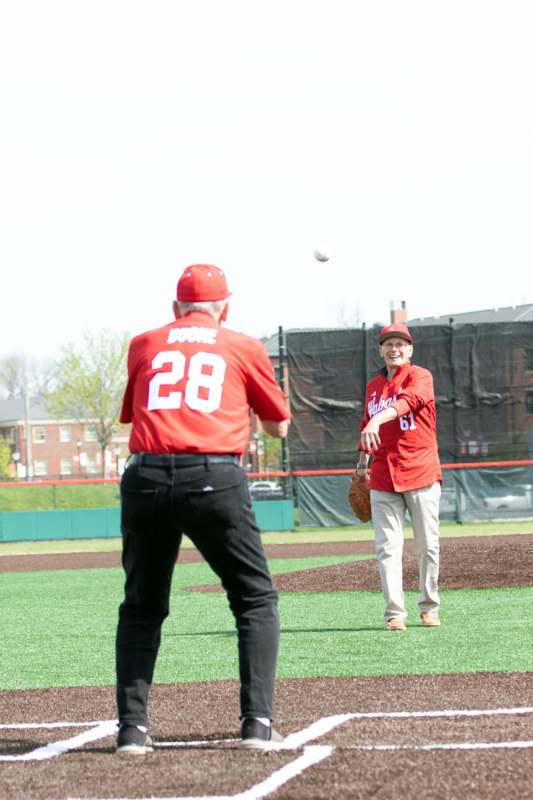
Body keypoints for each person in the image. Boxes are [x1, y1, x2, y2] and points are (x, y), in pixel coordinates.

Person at [115, 264, 290, 754]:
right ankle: (257, 725)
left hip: (146, 477)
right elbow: (278, 426)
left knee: (141, 607)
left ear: (176, 307)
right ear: (225, 308)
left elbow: (134, 412)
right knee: (255, 600)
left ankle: (132, 731)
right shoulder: (241, 345)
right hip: (213, 476)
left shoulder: (145, 343)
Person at [356, 323, 441, 632]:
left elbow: (408, 402)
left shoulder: (421, 376)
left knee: (428, 545)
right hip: (382, 476)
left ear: (410, 350)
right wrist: (360, 466)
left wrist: (378, 419)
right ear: (381, 349)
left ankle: (429, 606)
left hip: (420, 472)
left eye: (401, 343)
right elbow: (366, 427)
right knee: (388, 548)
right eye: (389, 343)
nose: (395, 348)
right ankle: (395, 613)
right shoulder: (373, 386)